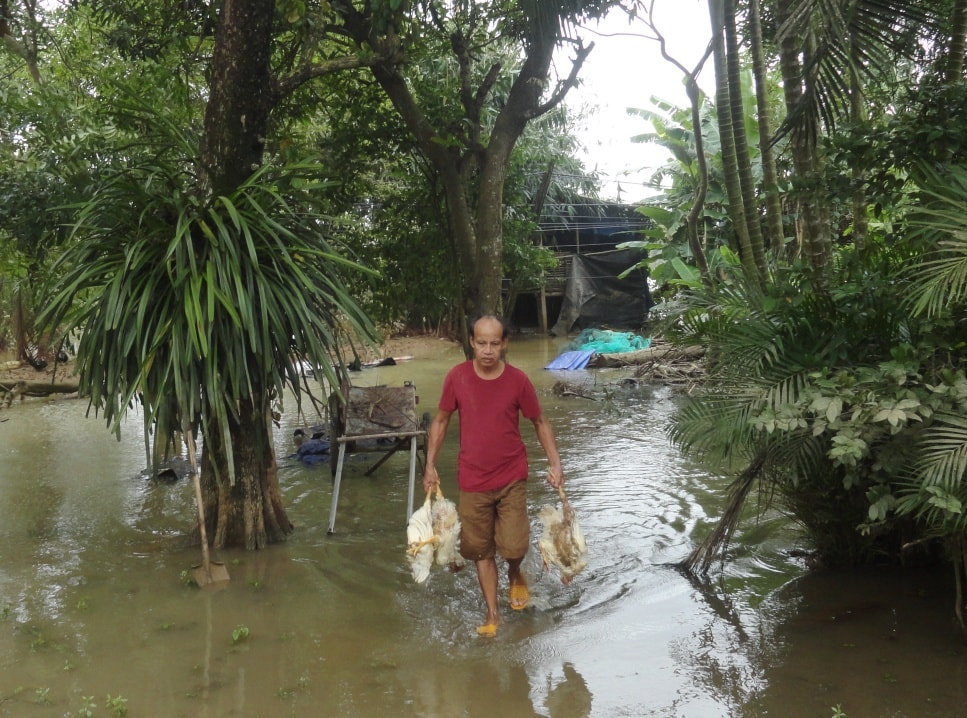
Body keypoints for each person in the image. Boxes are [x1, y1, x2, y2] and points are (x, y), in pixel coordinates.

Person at [422, 314, 564, 636]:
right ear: (472, 342)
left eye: (494, 343)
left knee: (513, 547)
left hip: (512, 475)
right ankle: (492, 614)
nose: (487, 350)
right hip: (472, 481)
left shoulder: (518, 381)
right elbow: (441, 421)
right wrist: (429, 466)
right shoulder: (457, 377)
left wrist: (555, 463)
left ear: (505, 344)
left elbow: (539, 422)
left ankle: (515, 572)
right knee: (480, 550)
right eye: (481, 343)